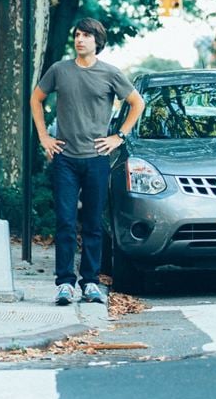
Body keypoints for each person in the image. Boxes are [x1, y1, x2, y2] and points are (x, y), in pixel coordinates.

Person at [30, 17, 145, 306]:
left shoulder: (110, 73)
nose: (80, 39)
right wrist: (44, 137)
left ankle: (91, 283)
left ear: (97, 41)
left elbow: (137, 103)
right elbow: (36, 99)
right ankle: (65, 284)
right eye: (77, 35)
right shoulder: (60, 70)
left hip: (96, 158)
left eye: (86, 35)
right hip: (65, 159)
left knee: (93, 224)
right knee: (66, 223)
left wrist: (119, 136)